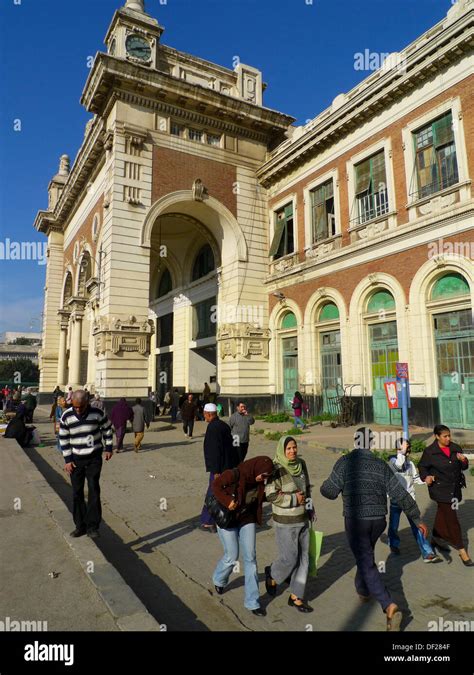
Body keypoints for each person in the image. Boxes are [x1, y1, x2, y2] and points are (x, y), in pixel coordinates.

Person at [320, 427, 429, 631]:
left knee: (366, 562)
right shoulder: (380, 464)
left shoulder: (345, 462)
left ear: (355, 441)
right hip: (379, 521)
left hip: (356, 521)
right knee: (365, 557)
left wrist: (325, 487)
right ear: (371, 443)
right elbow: (400, 493)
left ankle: (389, 605)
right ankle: (362, 590)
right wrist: (416, 517)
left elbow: (329, 492)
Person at [212, 456, 274, 616]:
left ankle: (252, 602)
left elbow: (260, 498)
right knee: (232, 555)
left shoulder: (260, 482)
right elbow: (216, 485)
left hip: (247, 519)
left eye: (267, 476)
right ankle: (219, 579)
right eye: (263, 475)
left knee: (251, 558)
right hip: (228, 520)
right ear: (256, 469)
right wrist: (227, 501)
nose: (264, 478)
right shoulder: (236, 474)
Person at [264, 436, 314, 612]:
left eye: (294, 447)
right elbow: (270, 495)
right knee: (290, 558)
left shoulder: (302, 464)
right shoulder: (275, 469)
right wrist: (293, 498)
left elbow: (307, 488)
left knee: (304, 559)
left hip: (303, 519)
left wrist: (310, 508)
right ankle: (272, 574)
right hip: (285, 521)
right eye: (288, 449)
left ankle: (296, 596)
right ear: (282, 450)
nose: (292, 451)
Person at [59, 390, 113, 538]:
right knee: (77, 493)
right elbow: (63, 439)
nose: (78, 410)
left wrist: (109, 447)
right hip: (76, 460)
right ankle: (80, 525)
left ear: (87, 403)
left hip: (94, 458)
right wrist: (68, 460)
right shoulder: (67, 416)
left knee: (93, 489)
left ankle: (92, 526)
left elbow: (107, 429)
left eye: (81, 407)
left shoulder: (97, 413)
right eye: (75, 407)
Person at [418, 424, 472, 566]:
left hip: (454, 489)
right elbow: (422, 467)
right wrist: (426, 477)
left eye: (449, 436)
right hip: (440, 489)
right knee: (452, 519)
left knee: (443, 514)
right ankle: (462, 550)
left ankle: (436, 538)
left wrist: (464, 460)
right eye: (445, 436)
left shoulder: (455, 448)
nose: (448, 438)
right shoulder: (430, 452)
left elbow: (464, 467)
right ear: (437, 436)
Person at [387, 439, 441, 563]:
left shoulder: (410, 464)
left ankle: (427, 553)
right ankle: (393, 544)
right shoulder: (392, 461)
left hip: (410, 501)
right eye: (406, 449)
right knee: (394, 525)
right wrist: (402, 450)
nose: (408, 451)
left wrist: (427, 480)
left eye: (409, 448)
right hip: (396, 500)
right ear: (398, 450)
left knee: (417, 526)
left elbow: (416, 479)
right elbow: (399, 465)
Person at [200, 403, 240, 533]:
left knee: (213, 493)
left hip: (218, 469)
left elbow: (214, 451)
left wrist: (216, 470)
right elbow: (231, 447)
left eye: (204, 413)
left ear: (208, 413)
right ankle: (219, 518)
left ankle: (208, 521)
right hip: (227, 466)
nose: (203, 415)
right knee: (221, 492)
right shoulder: (223, 425)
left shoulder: (212, 428)